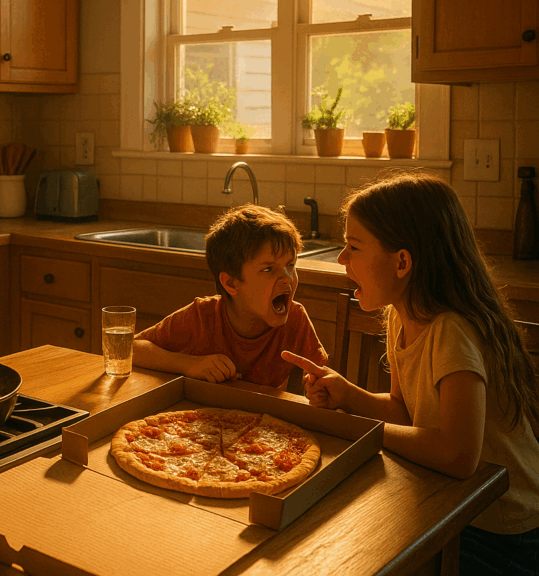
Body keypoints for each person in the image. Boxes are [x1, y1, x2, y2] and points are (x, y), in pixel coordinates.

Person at [283, 172, 539, 575]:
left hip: (500, 525)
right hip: (453, 502)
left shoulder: (452, 330)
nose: (341, 258)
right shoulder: (401, 316)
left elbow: (458, 455)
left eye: (353, 246)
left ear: (402, 261)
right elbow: (406, 412)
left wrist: (363, 430)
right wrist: (349, 396)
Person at [132, 205, 328, 388]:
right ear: (231, 283)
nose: (287, 278)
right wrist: (189, 364)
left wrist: (319, 387)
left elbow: (322, 376)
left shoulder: (296, 319)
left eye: (290, 265)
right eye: (268, 269)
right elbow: (131, 349)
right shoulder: (201, 316)